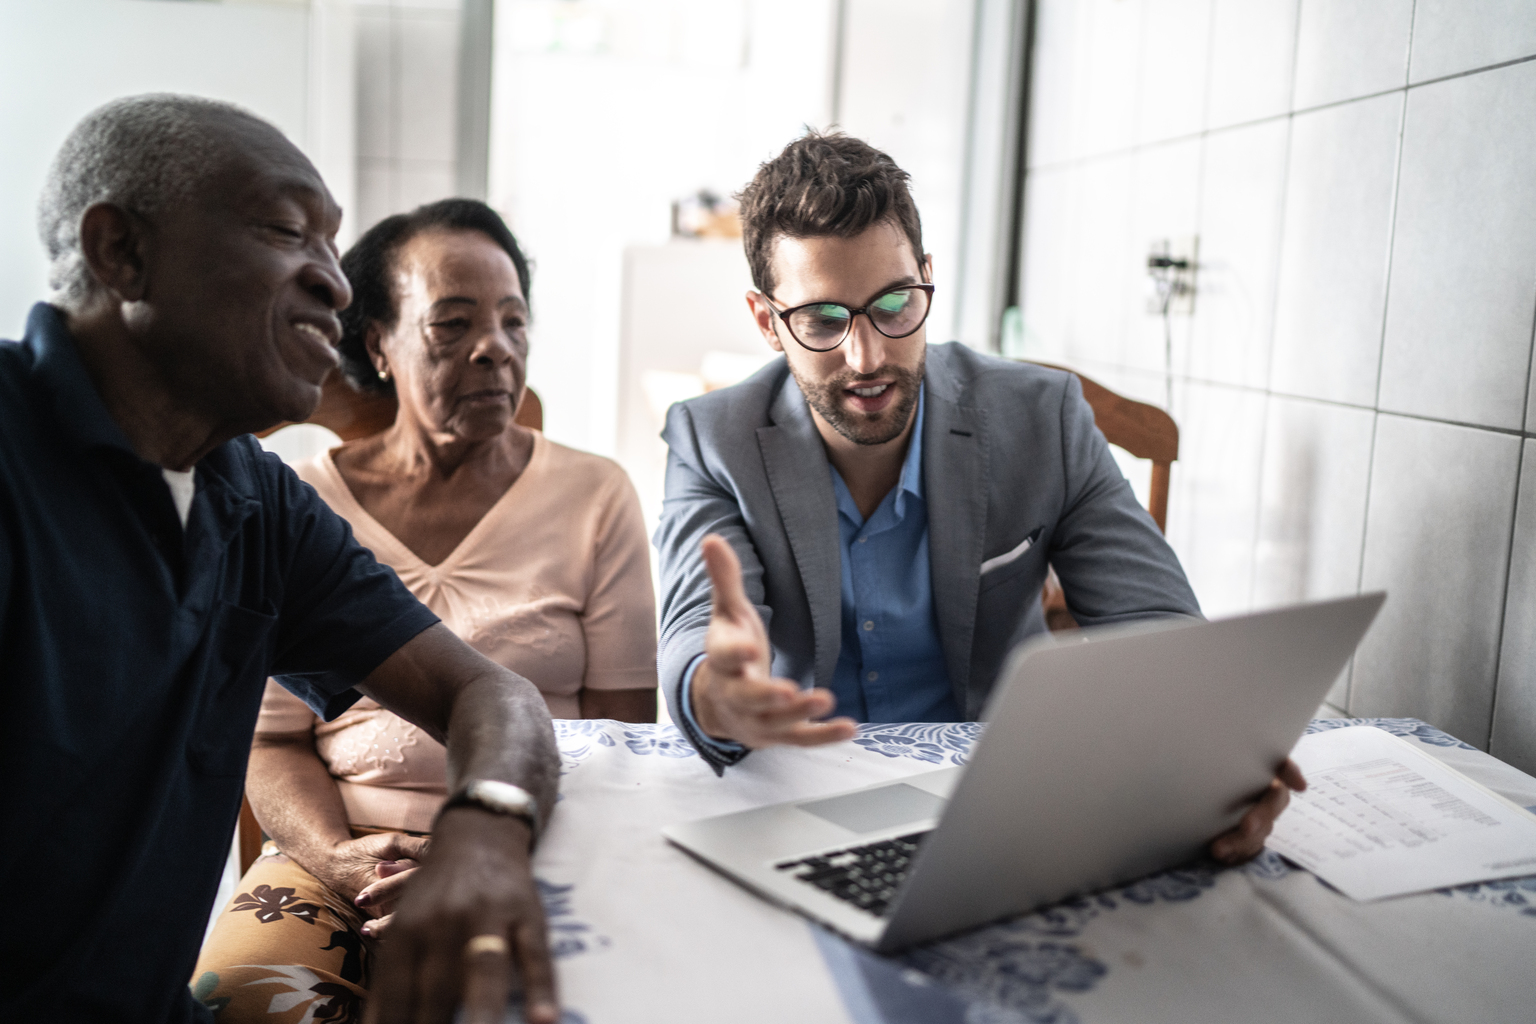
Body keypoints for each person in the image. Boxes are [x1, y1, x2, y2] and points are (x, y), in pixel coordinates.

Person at [0, 95, 562, 1024]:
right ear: (121, 252)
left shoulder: (255, 502)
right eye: (285, 231)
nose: (336, 286)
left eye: (333, 247)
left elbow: (488, 694)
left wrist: (486, 828)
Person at [653, 132, 1305, 862]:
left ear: (929, 277)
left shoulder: (1043, 419)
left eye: (896, 304)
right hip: (790, 804)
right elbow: (693, 641)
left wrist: (1211, 751)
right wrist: (721, 691)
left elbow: (1156, 629)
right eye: (824, 320)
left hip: (998, 808)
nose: (867, 358)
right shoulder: (711, 439)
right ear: (768, 320)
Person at [195, 199, 657, 1018]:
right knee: (236, 999)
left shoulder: (596, 494)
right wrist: (342, 859)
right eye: (453, 324)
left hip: (536, 832)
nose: (496, 348)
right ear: (377, 343)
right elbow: (268, 742)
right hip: (340, 851)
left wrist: (495, 847)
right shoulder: (299, 504)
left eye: (516, 323)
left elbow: (625, 733)